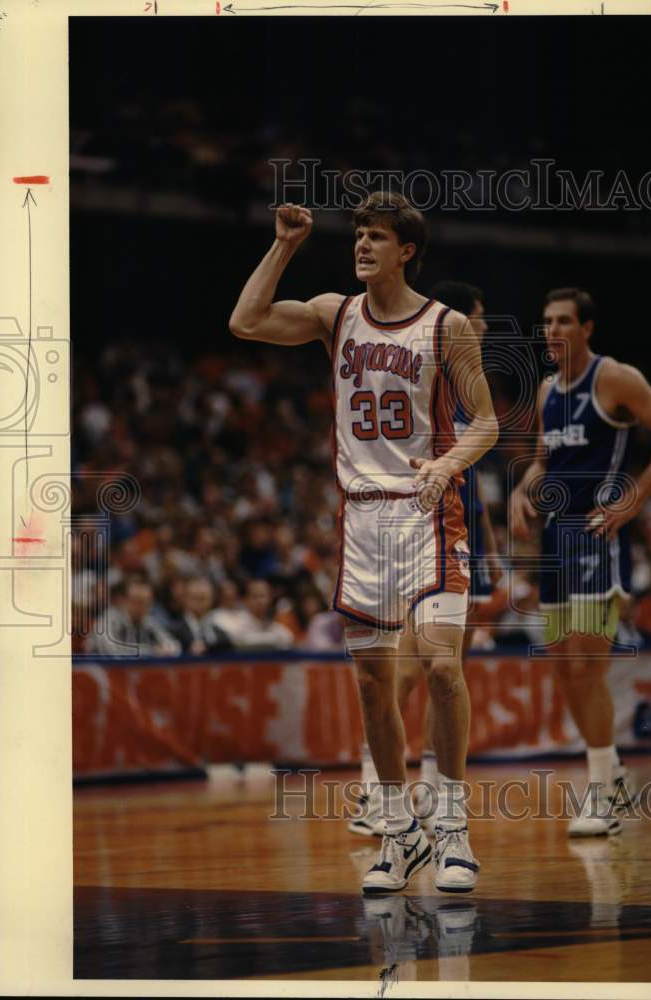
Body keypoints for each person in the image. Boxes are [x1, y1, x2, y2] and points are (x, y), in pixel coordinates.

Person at [230, 191, 498, 893]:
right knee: (375, 687)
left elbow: (485, 424)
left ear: (405, 250)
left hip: (427, 512)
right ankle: (396, 827)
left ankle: (452, 827)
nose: (362, 246)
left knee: (441, 670)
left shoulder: (445, 327)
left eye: (375, 237)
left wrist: (445, 465)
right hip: (361, 522)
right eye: (357, 235)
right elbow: (246, 320)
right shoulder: (335, 312)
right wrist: (285, 244)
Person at [509, 287, 651, 836]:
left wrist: (634, 497)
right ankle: (610, 772)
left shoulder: (613, 378)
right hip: (556, 545)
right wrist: (524, 486)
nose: (553, 330)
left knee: (587, 666)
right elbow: (546, 459)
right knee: (564, 668)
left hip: (599, 541)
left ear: (587, 328)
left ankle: (601, 794)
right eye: (546, 322)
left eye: (564, 321)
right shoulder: (546, 391)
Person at [348, 281, 502, 839]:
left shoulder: (464, 380)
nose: (479, 325)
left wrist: (488, 548)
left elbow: (471, 476)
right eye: (475, 315)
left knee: (444, 670)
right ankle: (375, 788)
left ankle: (433, 791)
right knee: (409, 670)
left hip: (454, 530)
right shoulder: (427, 369)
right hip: (404, 529)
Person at [86, 577, 181, 657]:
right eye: (137, 601)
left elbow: (175, 646)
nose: (142, 607)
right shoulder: (108, 620)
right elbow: (111, 651)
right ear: (123, 600)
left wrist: (166, 649)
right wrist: (151, 651)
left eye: (147, 602)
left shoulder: (149, 621)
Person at [169, 575, 233, 655]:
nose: (199, 603)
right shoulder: (173, 631)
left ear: (212, 600)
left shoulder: (221, 634)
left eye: (203, 598)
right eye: (195, 598)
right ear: (184, 599)